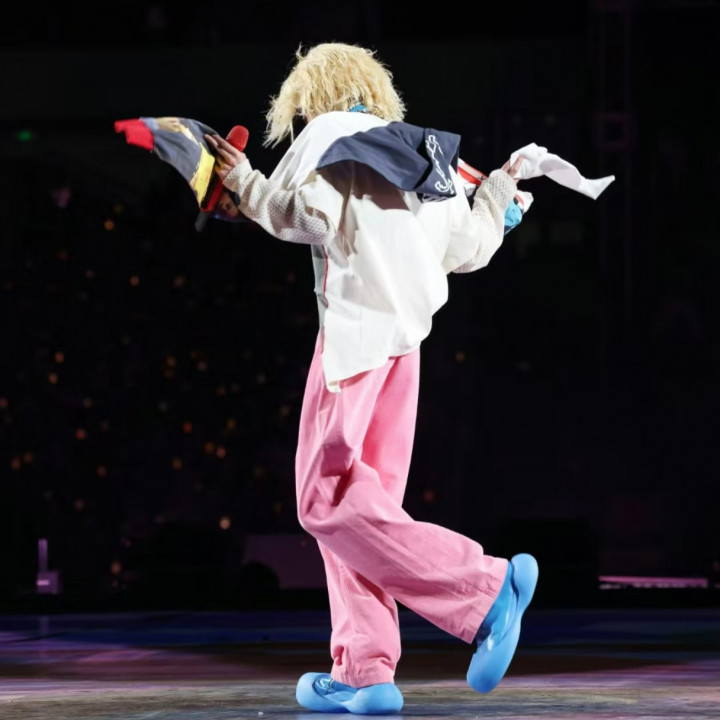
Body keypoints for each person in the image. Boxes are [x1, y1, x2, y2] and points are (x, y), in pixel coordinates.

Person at [204, 42, 538, 715]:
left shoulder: (328, 134)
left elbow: (304, 217)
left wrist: (244, 183)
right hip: (405, 350)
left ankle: (486, 589)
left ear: (312, 96)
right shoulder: (423, 153)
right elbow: (470, 250)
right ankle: (365, 671)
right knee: (364, 513)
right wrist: (498, 196)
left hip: (355, 341)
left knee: (324, 501)